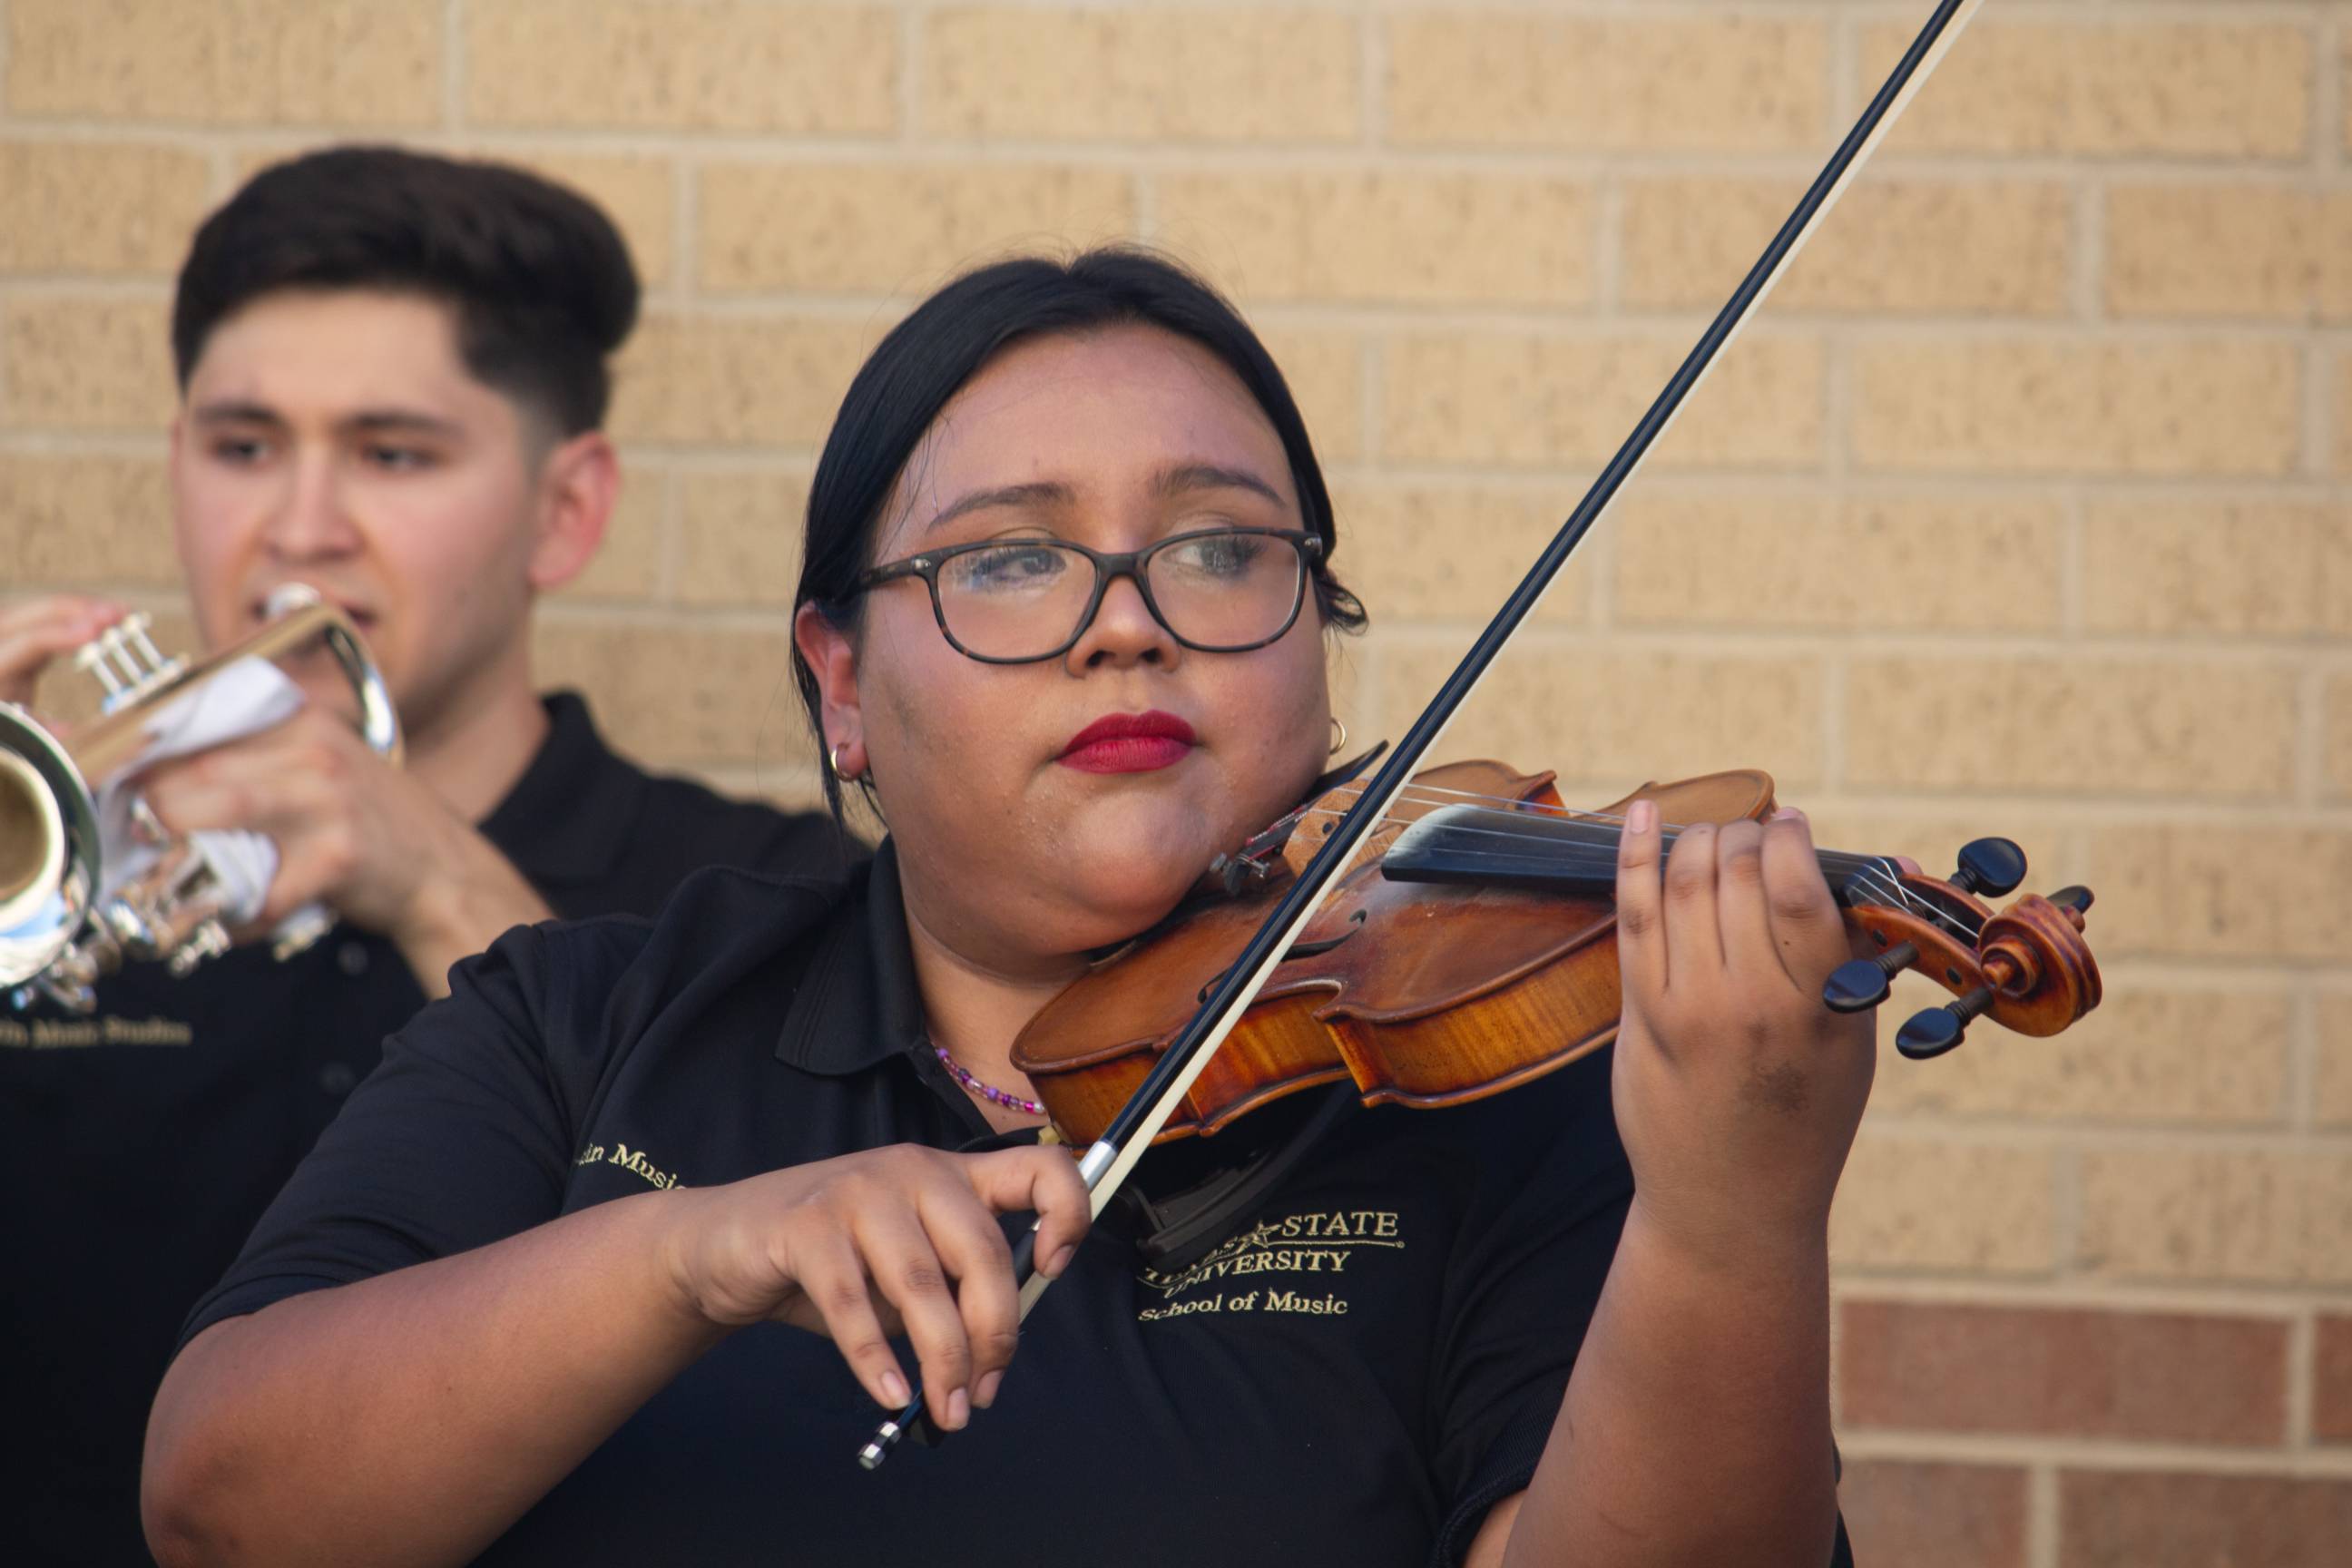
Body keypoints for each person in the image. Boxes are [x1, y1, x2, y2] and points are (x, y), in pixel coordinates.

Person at [142, 250, 1870, 1568]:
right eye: (1012, 559)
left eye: (1217, 549)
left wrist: (1732, 1225)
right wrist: (687, 1253)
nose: (1131, 623)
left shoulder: (1496, 1096)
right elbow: (225, 1507)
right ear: (841, 681)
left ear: (1320, 645)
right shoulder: (588, 1020)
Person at [1, 147, 854, 1566]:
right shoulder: (53, 871)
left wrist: (442, 890)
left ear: (566, 510)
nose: (298, 527)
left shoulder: (766, 894)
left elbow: (780, 1327)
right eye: (242, 446)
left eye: (393, 454)